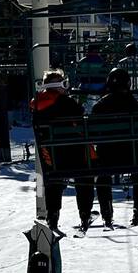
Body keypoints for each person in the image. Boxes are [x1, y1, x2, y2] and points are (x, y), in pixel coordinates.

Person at [32, 70, 87, 232]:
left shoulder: (37, 104)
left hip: (51, 157)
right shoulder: (66, 102)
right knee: (84, 175)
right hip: (74, 154)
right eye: (63, 84)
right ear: (57, 86)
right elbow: (80, 114)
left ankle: (53, 215)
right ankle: (85, 212)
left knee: (53, 180)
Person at [88, 67, 138, 227]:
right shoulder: (134, 104)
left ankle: (107, 213)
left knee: (102, 176)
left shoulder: (100, 105)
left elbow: (91, 133)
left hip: (106, 156)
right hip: (132, 155)